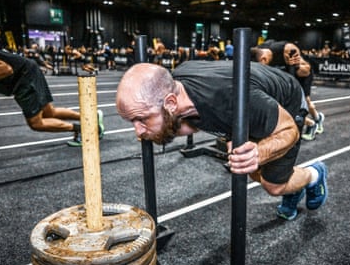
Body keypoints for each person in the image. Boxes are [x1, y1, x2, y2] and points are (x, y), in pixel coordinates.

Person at [116, 61, 328, 221]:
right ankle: (290, 180)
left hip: (285, 101)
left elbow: (289, 131)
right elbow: (190, 123)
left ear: (171, 103)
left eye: (141, 119)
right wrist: (151, 129)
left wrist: (258, 152)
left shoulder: (229, 99)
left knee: (272, 185)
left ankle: (314, 175)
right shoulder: (177, 84)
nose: (137, 130)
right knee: (249, 169)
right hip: (247, 101)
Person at [0, 42, 104, 147]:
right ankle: (92, 116)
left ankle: (84, 129)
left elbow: (5, 69)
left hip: (22, 76)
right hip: (24, 73)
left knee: (36, 123)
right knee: (50, 112)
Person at [252, 40, 325, 141]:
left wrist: (297, 66)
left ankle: (315, 121)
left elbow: (306, 70)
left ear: (263, 60)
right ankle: (313, 121)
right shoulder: (258, 52)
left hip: (301, 75)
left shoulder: (289, 49)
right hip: (286, 75)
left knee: (303, 104)